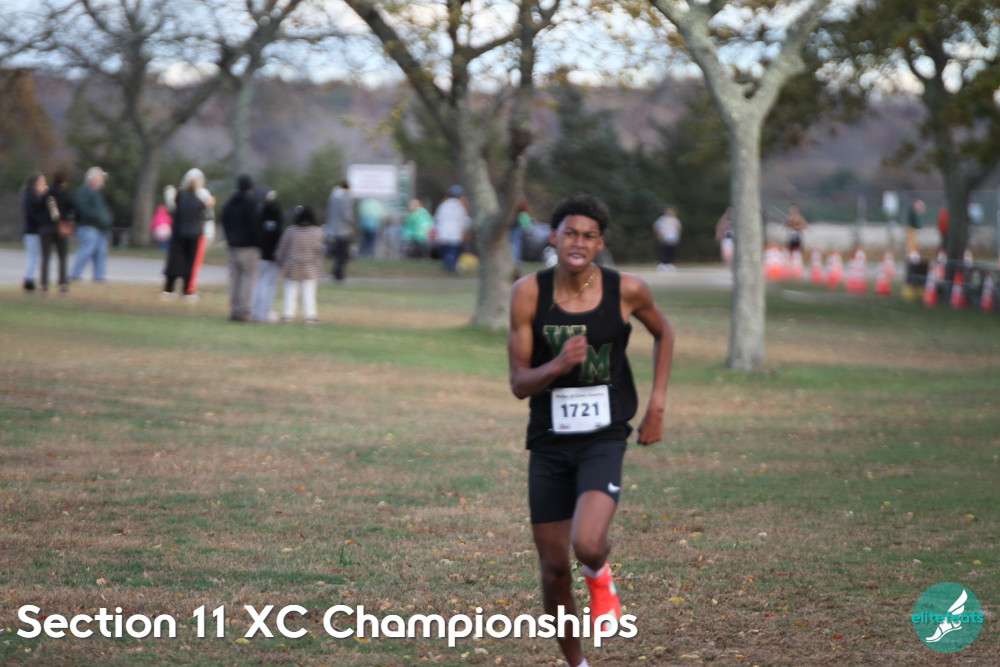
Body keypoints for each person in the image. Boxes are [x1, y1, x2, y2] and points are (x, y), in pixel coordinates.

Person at [507, 193, 675, 667]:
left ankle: (600, 577)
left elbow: (664, 333)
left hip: (603, 436)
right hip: (548, 441)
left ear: (600, 243)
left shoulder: (627, 290)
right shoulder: (528, 293)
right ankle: (577, 664)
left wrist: (657, 404)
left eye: (589, 235)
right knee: (554, 569)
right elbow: (519, 383)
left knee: (587, 543)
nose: (578, 243)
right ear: (554, 237)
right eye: (570, 234)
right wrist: (557, 365)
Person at [162, 168, 214, 300]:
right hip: (194, 234)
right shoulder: (198, 199)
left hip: (179, 234)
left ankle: (169, 288)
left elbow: (174, 211)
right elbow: (205, 214)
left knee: (175, 263)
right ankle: (187, 290)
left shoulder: (180, 197)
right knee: (189, 264)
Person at [220, 174, 262, 322]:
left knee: (235, 279)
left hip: (232, 245)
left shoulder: (230, 202)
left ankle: (234, 309)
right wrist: (259, 243)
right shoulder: (251, 203)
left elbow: (223, 219)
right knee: (250, 277)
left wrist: (229, 237)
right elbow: (255, 225)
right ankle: (245, 310)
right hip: (248, 246)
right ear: (250, 188)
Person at [277, 205, 326, 323]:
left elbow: (282, 249)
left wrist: (280, 262)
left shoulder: (290, 231)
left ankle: (287, 314)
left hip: (292, 265)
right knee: (309, 291)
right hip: (310, 266)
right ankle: (310, 315)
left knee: (290, 290)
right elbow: (320, 250)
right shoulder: (317, 232)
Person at [69, 166, 112, 282]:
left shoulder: (97, 192)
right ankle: (75, 274)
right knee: (87, 250)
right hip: (88, 226)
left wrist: (106, 219)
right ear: (93, 179)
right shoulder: (85, 191)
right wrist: (99, 218)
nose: (102, 181)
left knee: (101, 252)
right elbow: (83, 209)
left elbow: (102, 210)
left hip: (100, 227)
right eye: (100, 178)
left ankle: (99, 277)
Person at [250, 191, 284, 323]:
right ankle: (265, 311)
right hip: (272, 257)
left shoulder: (260, 219)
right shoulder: (277, 221)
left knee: (259, 283)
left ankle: (256, 311)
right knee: (269, 285)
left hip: (260, 254)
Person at [40, 170, 76, 293]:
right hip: (62, 227)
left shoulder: (47, 193)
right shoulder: (66, 194)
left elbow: (39, 208)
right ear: (64, 181)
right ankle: (63, 284)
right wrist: (72, 221)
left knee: (45, 257)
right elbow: (75, 208)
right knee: (62, 257)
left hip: (46, 227)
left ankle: (44, 284)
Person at [20, 171, 49, 291]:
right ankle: (28, 280)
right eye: (42, 183)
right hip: (32, 231)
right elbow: (32, 215)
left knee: (35, 256)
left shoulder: (36, 197)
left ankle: (30, 279)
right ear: (35, 184)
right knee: (33, 256)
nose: (44, 185)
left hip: (35, 230)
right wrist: (42, 222)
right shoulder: (30, 197)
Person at [434, 185, 470, 273]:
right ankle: (451, 266)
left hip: (443, 232)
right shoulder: (460, 206)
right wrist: (464, 231)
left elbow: (437, 219)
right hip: (455, 232)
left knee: (445, 250)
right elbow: (464, 220)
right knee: (453, 250)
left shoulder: (443, 205)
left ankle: (446, 265)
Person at [324, 181, 354, 282]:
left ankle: (334, 273)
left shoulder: (333, 197)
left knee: (336, 254)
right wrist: (353, 223)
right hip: (344, 229)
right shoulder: (346, 198)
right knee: (343, 254)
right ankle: (339, 274)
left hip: (332, 229)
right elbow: (347, 215)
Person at [652, 205, 682, 271]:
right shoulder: (662, 219)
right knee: (664, 251)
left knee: (671, 252)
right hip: (665, 238)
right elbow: (657, 228)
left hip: (673, 238)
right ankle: (662, 264)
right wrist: (659, 235)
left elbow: (678, 228)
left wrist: (677, 236)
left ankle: (669, 264)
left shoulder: (675, 220)